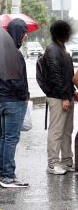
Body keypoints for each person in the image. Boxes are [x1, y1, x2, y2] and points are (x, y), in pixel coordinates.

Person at [0, 18, 30, 188]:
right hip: (14, 101)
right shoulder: (13, 54)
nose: (25, 36)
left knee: (5, 138)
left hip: (2, 100)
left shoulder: (0, 51)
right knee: (11, 139)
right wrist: (25, 96)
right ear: (17, 33)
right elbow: (17, 81)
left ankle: (3, 171)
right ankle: (8, 176)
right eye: (23, 32)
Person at [43, 20, 77, 175]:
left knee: (67, 131)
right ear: (61, 33)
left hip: (66, 95)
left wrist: (72, 91)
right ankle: (52, 164)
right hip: (58, 97)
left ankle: (67, 161)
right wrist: (64, 97)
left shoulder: (62, 48)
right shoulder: (52, 50)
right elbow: (56, 76)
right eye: (66, 32)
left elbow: (68, 75)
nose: (68, 35)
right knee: (56, 131)